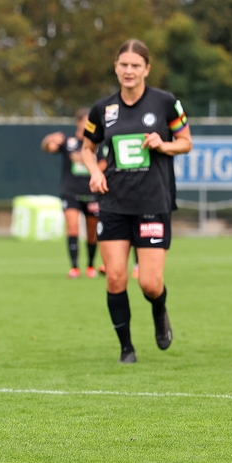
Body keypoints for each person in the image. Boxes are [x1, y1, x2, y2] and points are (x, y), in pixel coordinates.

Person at [80, 39, 193, 364]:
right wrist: (94, 173)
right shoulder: (103, 109)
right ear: (116, 67)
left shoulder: (166, 102)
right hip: (114, 203)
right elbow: (88, 148)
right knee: (115, 277)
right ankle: (126, 348)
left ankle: (159, 309)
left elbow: (186, 143)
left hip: (152, 202)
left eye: (135, 65)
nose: (128, 71)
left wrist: (163, 144)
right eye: (123, 65)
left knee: (149, 283)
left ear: (146, 68)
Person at [42, 107, 100, 278]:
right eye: (86, 121)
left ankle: (90, 265)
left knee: (91, 232)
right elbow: (48, 147)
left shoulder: (97, 144)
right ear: (78, 122)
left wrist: (86, 160)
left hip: (91, 193)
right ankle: (74, 267)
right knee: (73, 227)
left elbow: (103, 165)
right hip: (71, 192)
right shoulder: (69, 143)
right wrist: (48, 139)